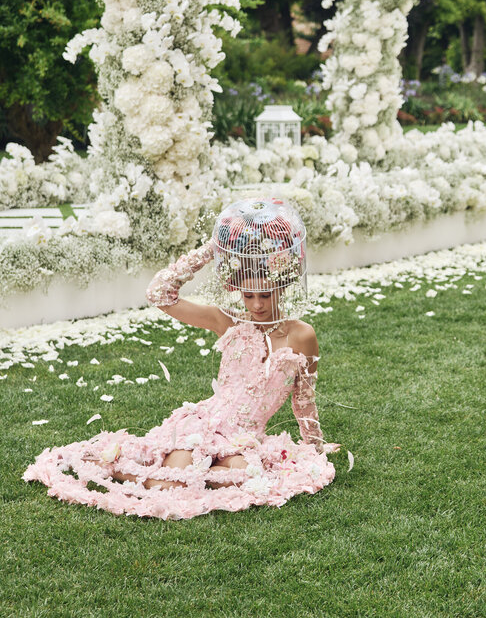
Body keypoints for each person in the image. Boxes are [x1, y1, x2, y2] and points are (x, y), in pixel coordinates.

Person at [24, 197, 338, 519]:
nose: (256, 305)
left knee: (251, 477)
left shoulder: (303, 335)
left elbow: (304, 398)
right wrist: (211, 250)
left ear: (282, 288)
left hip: (244, 439)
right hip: (205, 424)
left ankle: (195, 469)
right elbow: (160, 294)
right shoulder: (227, 320)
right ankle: (114, 467)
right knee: (172, 486)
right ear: (238, 292)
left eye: (265, 295)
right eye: (248, 295)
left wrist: (314, 447)